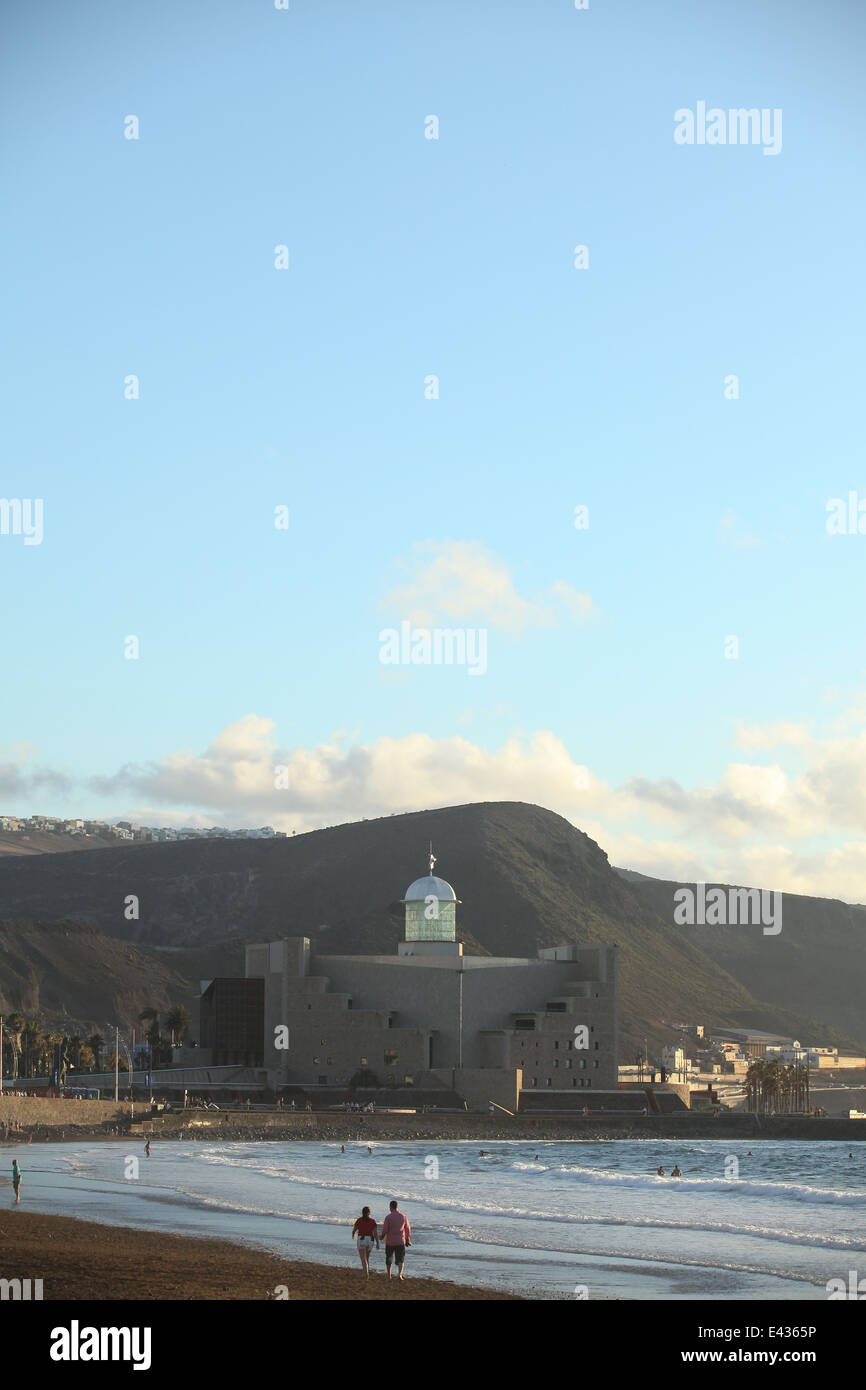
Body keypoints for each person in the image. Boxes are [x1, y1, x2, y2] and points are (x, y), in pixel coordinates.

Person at [381, 1199, 411, 1280]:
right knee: (401, 1258)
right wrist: (407, 1238)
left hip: (390, 1241)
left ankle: (389, 1276)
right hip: (400, 1241)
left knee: (389, 1258)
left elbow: (385, 1230)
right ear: (397, 1207)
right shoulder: (403, 1216)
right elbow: (407, 1228)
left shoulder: (388, 1217)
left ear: (390, 1207)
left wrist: (382, 1236)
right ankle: (399, 1275)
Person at [352, 1205, 380, 1276]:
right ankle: (366, 1271)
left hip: (362, 1239)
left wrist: (353, 1234)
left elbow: (355, 1229)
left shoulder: (359, 1220)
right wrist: (377, 1242)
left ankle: (366, 1273)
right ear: (369, 1213)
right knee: (367, 1257)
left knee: (363, 1258)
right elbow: (375, 1233)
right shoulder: (372, 1221)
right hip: (370, 1240)